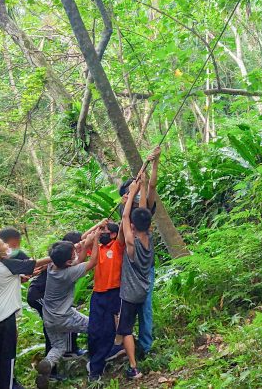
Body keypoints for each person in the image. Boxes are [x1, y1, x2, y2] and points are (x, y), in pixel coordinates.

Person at [35, 224, 101, 389]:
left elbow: (77, 261)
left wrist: (84, 244)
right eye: (73, 253)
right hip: (65, 316)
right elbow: (92, 262)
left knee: (59, 346)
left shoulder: (52, 267)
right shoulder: (68, 273)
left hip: (49, 318)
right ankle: (98, 359)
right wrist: (95, 241)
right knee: (95, 327)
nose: (75, 253)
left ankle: (47, 365)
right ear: (67, 261)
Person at [0, 237, 52, 389]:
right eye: (3, 244)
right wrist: (57, 255)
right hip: (4, 316)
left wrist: (26, 277)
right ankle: (8, 384)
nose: (7, 246)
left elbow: (10, 280)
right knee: (8, 355)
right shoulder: (6, 264)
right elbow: (35, 263)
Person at [117, 146, 161, 357]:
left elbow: (151, 187)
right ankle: (127, 343)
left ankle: (143, 345)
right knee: (127, 307)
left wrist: (155, 163)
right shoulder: (126, 212)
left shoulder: (140, 214)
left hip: (140, 267)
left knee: (145, 307)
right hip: (130, 267)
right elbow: (125, 220)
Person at [117, 174, 155, 380]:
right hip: (143, 289)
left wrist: (131, 193)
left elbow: (125, 218)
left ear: (133, 225)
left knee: (126, 329)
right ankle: (142, 349)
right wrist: (138, 190)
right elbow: (141, 212)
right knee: (139, 319)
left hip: (130, 294)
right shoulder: (149, 238)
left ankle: (133, 367)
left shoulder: (132, 246)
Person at [87, 221, 124, 381]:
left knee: (108, 331)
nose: (102, 233)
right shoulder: (97, 248)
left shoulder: (117, 245)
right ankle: (96, 359)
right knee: (93, 330)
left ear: (114, 234)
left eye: (105, 231)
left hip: (113, 292)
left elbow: (124, 227)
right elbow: (83, 241)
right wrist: (98, 226)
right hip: (97, 293)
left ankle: (96, 369)